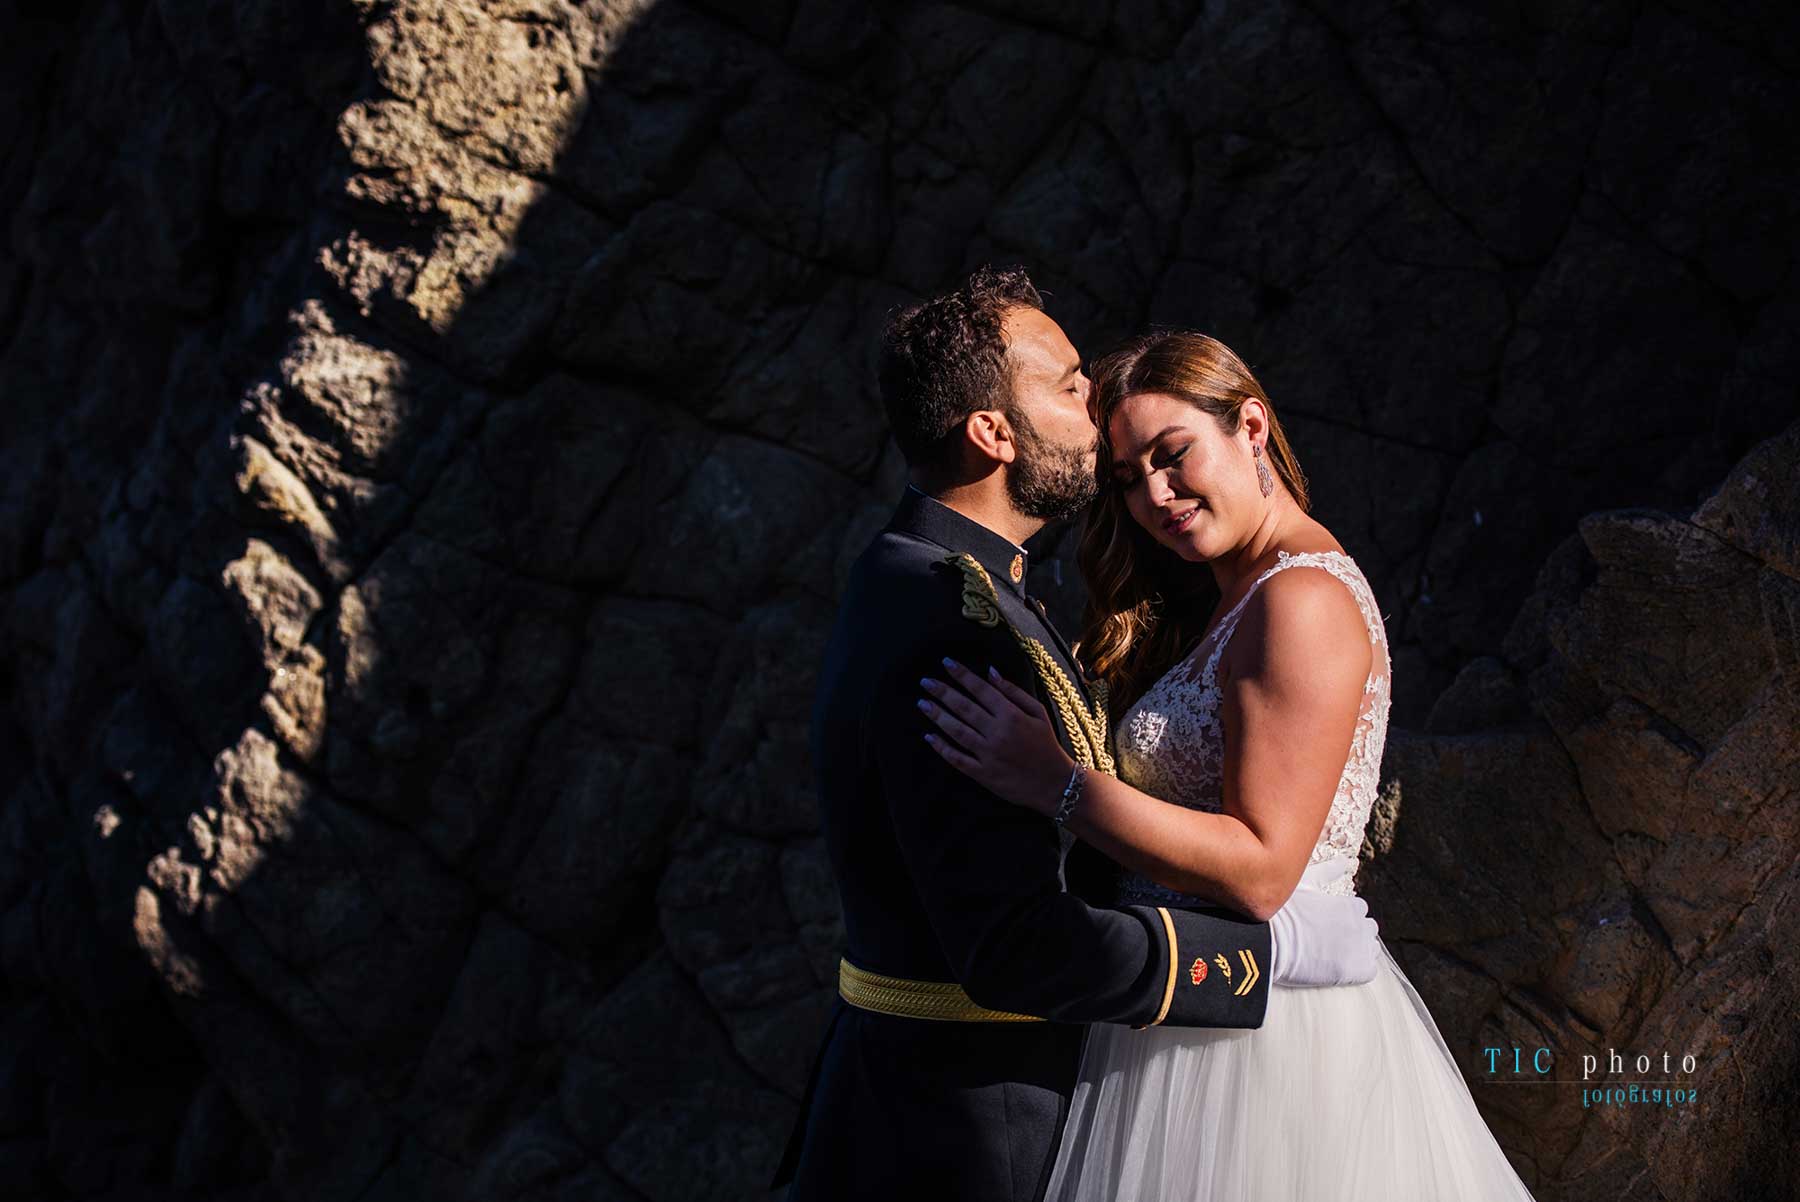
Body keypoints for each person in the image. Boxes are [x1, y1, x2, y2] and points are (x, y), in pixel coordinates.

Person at [770, 267, 1387, 1202]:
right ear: (992, 433)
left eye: (1170, 452)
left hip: (1142, 1078)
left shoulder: (930, 577)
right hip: (970, 1125)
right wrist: (1261, 964)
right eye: (1068, 389)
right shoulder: (958, 620)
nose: (1097, 420)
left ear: (1250, 425)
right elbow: (1015, 944)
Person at [917, 329, 1539, 1199]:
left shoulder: (1301, 601)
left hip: (1264, 1046)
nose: (1156, 497)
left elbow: (1260, 871)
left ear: (1251, 426)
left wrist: (1056, 782)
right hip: (1191, 1013)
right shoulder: (1239, 593)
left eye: (1175, 456)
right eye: (1130, 480)